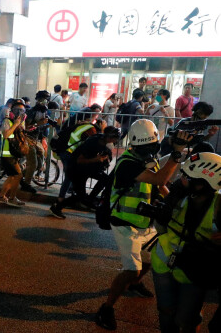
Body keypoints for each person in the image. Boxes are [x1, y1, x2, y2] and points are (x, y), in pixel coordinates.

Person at [95, 119, 191, 331]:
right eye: (147, 148)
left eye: (153, 147)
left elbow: (160, 187)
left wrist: (175, 205)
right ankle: (106, 308)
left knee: (149, 261)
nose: (151, 151)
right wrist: (176, 154)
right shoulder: (128, 163)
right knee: (132, 269)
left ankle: (135, 283)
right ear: (136, 146)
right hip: (125, 223)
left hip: (145, 222)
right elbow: (159, 179)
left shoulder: (147, 159)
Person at [150, 152, 221, 333]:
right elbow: (161, 227)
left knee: (186, 319)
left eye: (188, 177)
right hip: (163, 262)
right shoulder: (179, 193)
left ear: (203, 183)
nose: (181, 180)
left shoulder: (219, 207)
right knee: (165, 312)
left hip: (195, 269)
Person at [49, 127, 120, 219]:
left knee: (106, 179)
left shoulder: (102, 141)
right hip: (76, 169)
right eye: (116, 138)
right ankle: (56, 207)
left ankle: (90, 199)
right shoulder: (93, 142)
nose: (116, 141)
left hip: (86, 169)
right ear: (110, 137)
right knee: (81, 196)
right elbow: (79, 160)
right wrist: (97, 159)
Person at [0, 99, 28, 207]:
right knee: (18, 176)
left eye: (22, 111)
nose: (20, 113)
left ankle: (1, 195)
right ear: (13, 111)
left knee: (11, 177)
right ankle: (12, 198)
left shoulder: (19, 122)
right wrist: (16, 124)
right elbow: (6, 135)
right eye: (18, 110)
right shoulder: (7, 121)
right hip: (7, 154)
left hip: (13, 153)